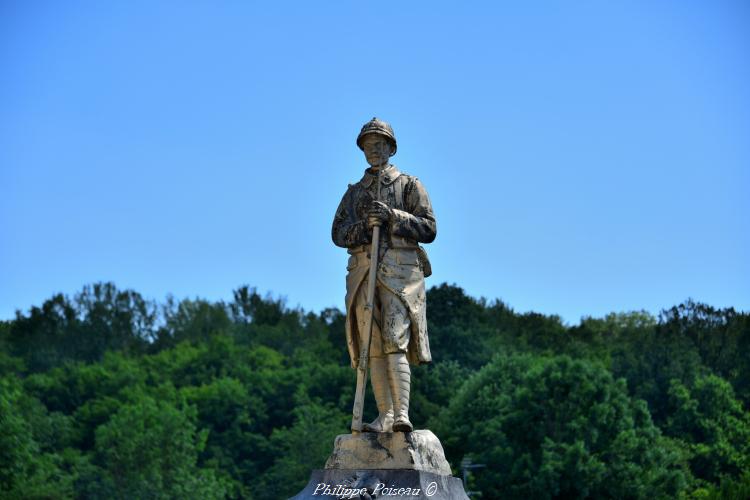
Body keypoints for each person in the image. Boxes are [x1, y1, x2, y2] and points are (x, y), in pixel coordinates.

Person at [331, 117, 437, 433]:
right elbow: (338, 233)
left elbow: (429, 228)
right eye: (368, 146)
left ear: (391, 148)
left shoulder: (409, 185)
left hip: (400, 275)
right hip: (363, 274)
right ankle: (384, 414)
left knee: (395, 339)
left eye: (379, 144)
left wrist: (393, 217)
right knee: (371, 345)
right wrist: (365, 227)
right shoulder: (353, 194)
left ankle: (402, 413)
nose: (373, 150)